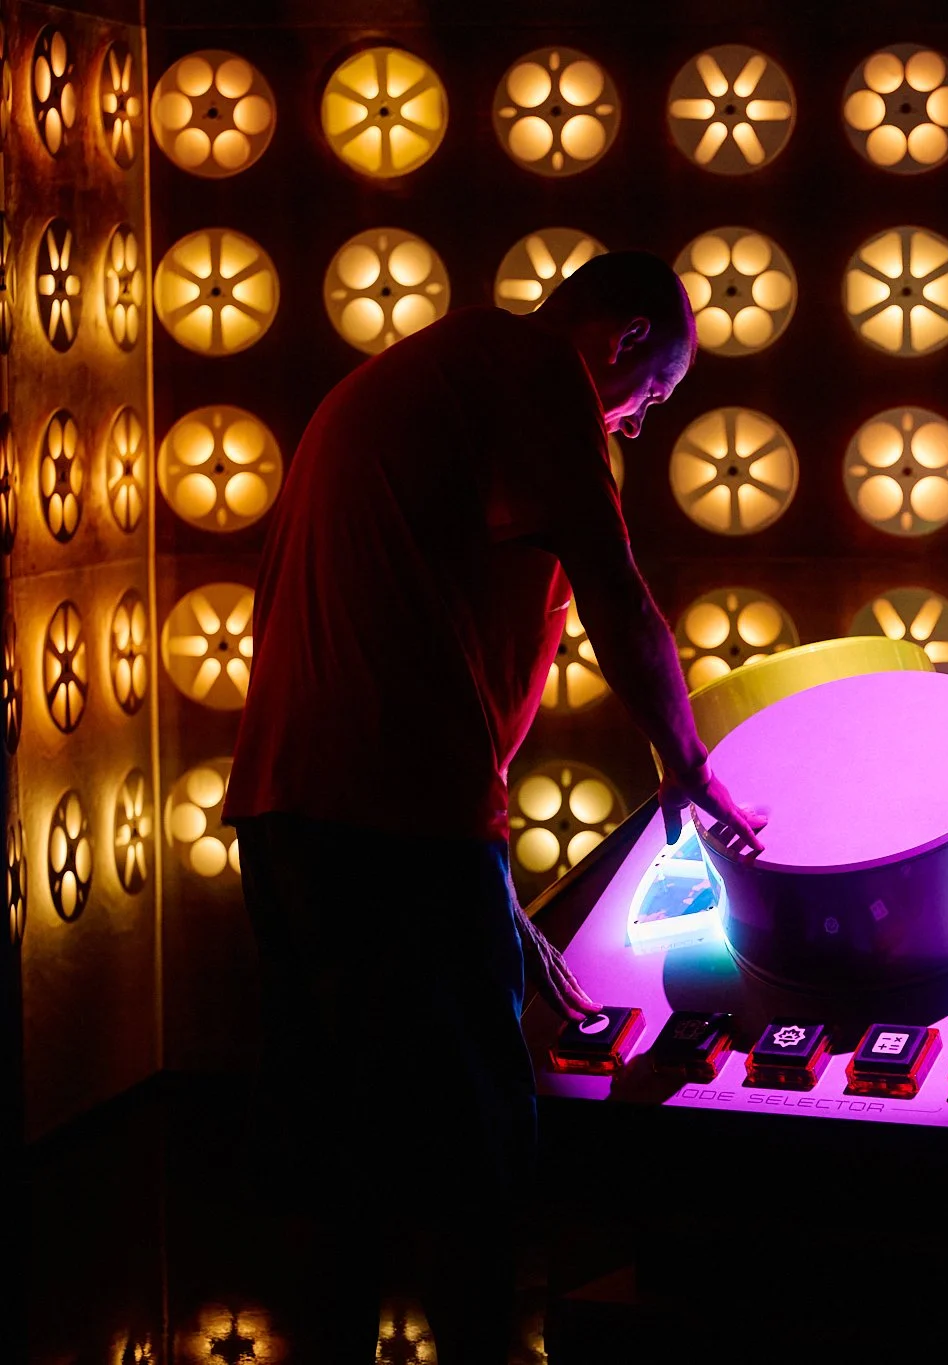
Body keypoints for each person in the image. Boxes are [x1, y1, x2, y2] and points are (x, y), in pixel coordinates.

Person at [225, 250, 764, 1363]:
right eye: (649, 397)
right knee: (471, 1150)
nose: (635, 426)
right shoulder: (532, 380)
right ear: (618, 341)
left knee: (334, 1154)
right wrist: (685, 758)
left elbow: (399, 631)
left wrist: (493, 893)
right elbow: (613, 585)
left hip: (288, 804)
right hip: (397, 816)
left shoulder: (414, 377)